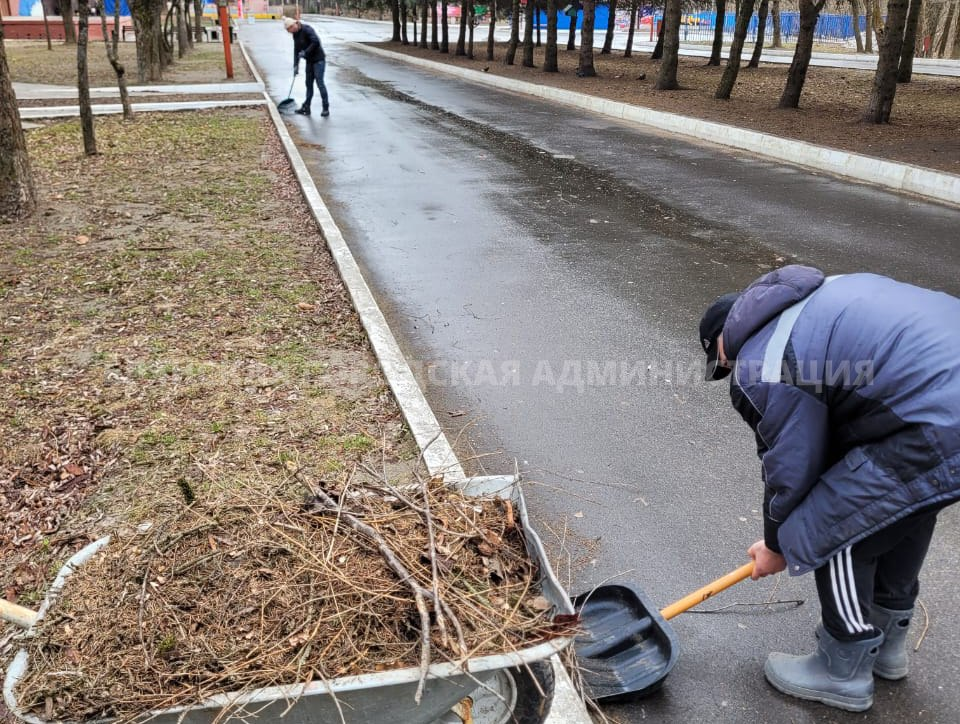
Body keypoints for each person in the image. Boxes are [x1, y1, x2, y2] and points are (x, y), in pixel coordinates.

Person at [699, 265, 960, 712]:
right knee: (901, 504)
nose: (728, 369)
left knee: (832, 522)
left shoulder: (761, 360)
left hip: (939, 411)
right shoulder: (818, 300)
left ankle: (843, 667)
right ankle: (888, 645)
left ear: (723, 340)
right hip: (941, 399)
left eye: (720, 361)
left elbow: (792, 466)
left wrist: (780, 542)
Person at [284, 16, 329, 118]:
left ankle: (325, 108)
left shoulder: (307, 29)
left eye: (290, 30)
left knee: (320, 83)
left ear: (294, 25)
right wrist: (296, 65)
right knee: (308, 84)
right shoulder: (295, 35)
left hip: (319, 60)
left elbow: (316, 42)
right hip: (310, 61)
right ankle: (306, 107)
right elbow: (296, 50)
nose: (291, 32)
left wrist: (306, 52)